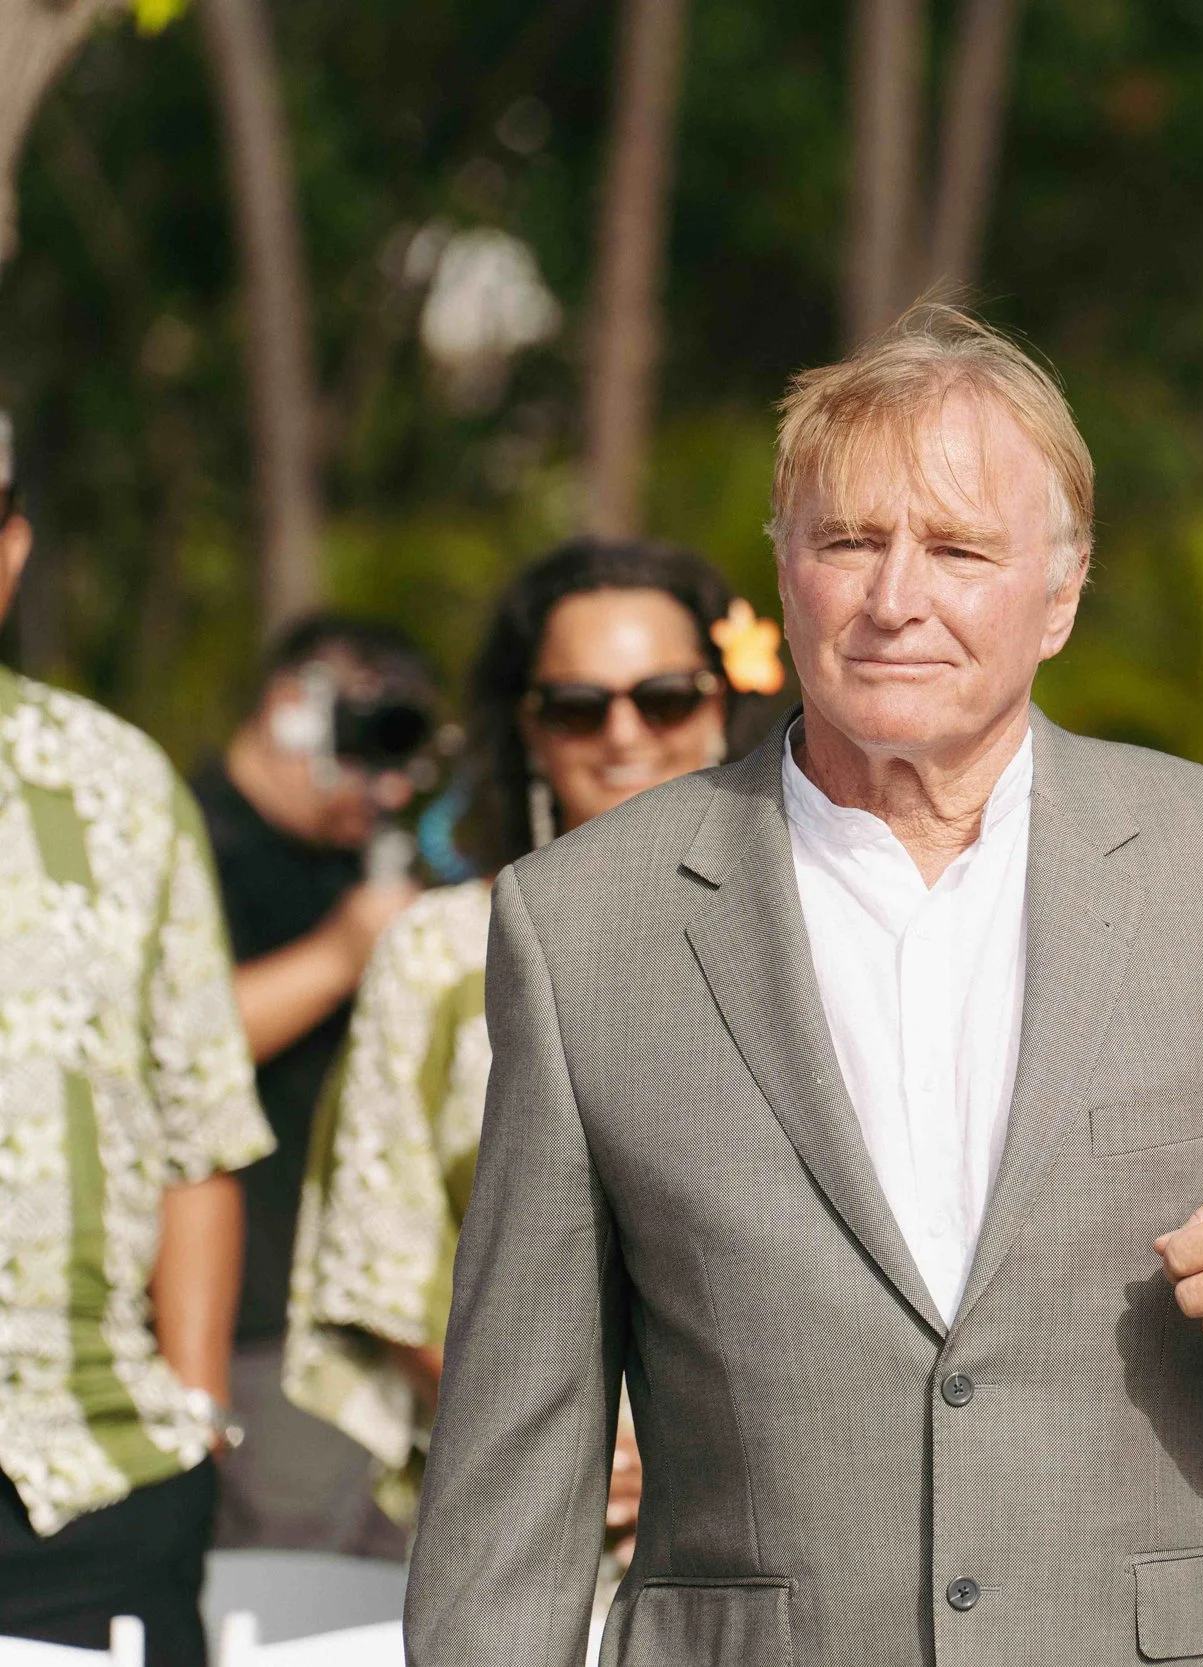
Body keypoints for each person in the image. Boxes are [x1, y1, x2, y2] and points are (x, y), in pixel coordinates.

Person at [402, 304, 1203, 1665]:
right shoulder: (581, 921)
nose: (895, 597)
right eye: (850, 540)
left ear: (1063, 592)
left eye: (959, 547)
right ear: (784, 572)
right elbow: (517, 1449)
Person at [285, 537, 769, 1542]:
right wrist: (563, 1444)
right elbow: (384, 1251)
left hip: (798, 1516)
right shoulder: (442, 952)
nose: (624, 732)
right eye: (579, 705)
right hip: (538, 1520)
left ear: (720, 702)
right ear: (531, 729)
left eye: (665, 695)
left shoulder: (825, 928)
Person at [0, 413, 274, 1666]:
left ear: (10, 552)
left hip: (100, 1485)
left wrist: (199, 1404)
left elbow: (196, 1133)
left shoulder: (114, 782)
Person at [194, 614, 441, 1554]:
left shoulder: (363, 864)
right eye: (372, 744)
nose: (393, 784)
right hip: (259, 1331)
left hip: (382, 1331)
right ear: (295, 710)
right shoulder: (191, 839)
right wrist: (340, 956)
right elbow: (158, 1049)